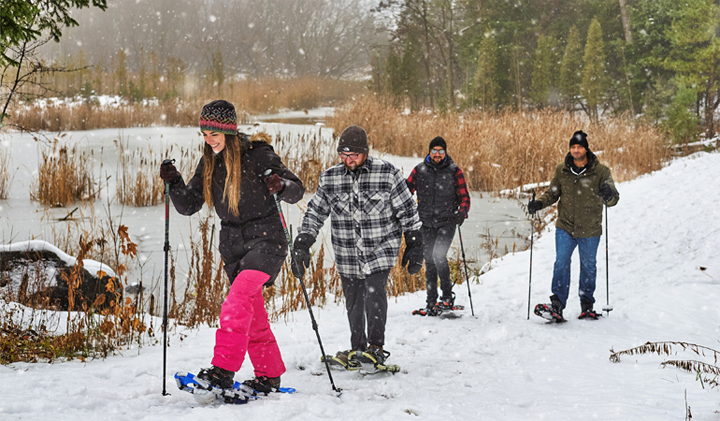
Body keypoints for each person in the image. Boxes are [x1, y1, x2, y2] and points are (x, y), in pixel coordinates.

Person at [159, 100, 304, 393]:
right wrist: (174, 182)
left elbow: (296, 189)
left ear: (228, 130)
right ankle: (269, 374)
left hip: (267, 241)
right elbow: (189, 205)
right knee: (252, 315)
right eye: (204, 134)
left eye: (214, 133)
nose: (209, 140)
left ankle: (223, 371)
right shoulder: (209, 162)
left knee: (236, 303)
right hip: (234, 248)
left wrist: (281, 186)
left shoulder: (258, 154)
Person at [291, 125, 422, 369]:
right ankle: (357, 348)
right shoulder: (330, 178)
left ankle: (376, 347)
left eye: (353, 156)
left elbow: (407, 209)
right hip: (347, 252)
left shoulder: (387, 173)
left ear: (365, 152)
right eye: (343, 155)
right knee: (353, 300)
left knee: (374, 291)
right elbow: (315, 212)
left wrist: (414, 241)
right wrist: (303, 241)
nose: (348, 160)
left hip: (380, 247)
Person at [528, 130, 619, 321]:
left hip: (590, 228)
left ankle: (587, 305)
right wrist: (539, 204)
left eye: (579, 147)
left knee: (589, 266)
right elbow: (552, 193)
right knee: (561, 262)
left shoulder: (601, 172)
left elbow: (613, 199)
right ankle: (557, 305)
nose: (576, 150)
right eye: (573, 147)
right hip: (566, 226)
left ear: (586, 149)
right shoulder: (562, 169)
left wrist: (608, 194)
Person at [406, 136, 471, 315]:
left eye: (440, 151)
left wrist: (462, 213)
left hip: (447, 222)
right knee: (430, 261)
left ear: (445, 152)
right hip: (425, 223)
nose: (437, 154)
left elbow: (465, 198)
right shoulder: (419, 170)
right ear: (429, 152)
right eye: (434, 151)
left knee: (438, 255)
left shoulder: (454, 171)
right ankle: (431, 301)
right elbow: (405, 192)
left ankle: (448, 298)